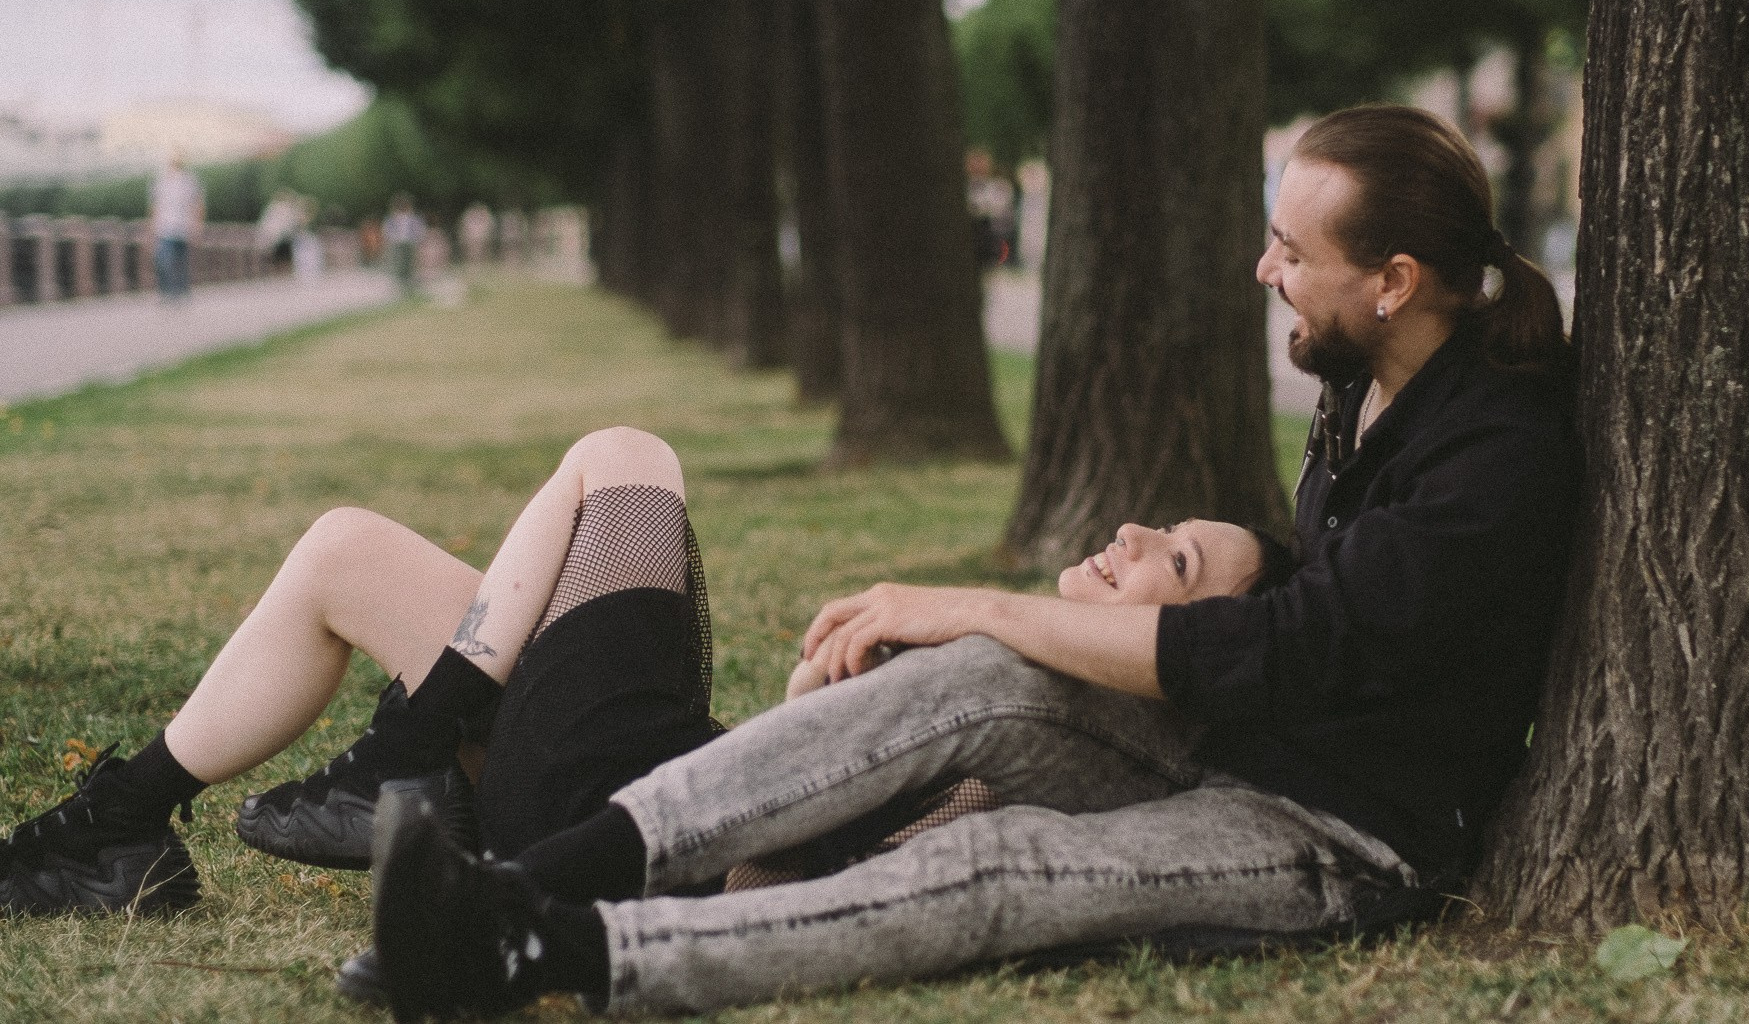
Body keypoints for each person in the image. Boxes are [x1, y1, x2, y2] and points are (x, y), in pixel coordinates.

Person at [356, 103, 1581, 1018]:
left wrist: (977, 601)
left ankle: (537, 952)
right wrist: (1204, 560)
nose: (1266, 272)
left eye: (1290, 253)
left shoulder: (1496, 450)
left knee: (1000, 866)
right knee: (975, 678)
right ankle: (524, 880)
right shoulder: (1364, 378)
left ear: (1392, 282)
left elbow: (1306, 641)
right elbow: (1320, 588)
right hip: (1238, 741)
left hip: (1347, 835)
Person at [0, 427, 1277, 920]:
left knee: (626, 460)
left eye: (1172, 559)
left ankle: (409, 751)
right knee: (346, 550)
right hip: (635, 767)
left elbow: (824, 863)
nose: (1129, 534)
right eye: (1157, 524)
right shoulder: (1024, 669)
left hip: (614, 810)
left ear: (1200, 648)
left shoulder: (1075, 739)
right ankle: (121, 829)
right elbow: (815, 770)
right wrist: (817, 697)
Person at [149, 153, 204, 302]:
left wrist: (197, 225)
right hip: (165, 227)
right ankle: (168, 292)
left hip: (183, 227)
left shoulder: (189, 181)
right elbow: (155, 206)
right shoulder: (161, 181)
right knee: (164, 259)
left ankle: (181, 291)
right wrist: (153, 226)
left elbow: (197, 204)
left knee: (180, 260)